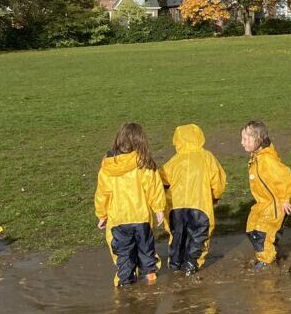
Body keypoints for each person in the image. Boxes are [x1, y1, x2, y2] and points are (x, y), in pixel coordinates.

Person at [94, 122, 166, 287]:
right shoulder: (144, 163)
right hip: (141, 218)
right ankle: (150, 280)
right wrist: (159, 209)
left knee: (123, 254)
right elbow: (154, 188)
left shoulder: (108, 166)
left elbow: (102, 193)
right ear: (141, 141)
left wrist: (102, 214)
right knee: (146, 252)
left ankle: (125, 287)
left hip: (118, 220)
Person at [160, 123, 227, 275]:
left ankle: (175, 265)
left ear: (177, 140)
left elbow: (161, 180)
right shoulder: (207, 157)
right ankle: (192, 263)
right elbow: (218, 181)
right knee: (199, 236)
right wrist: (215, 196)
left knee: (178, 236)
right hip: (200, 206)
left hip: (176, 208)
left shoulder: (174, 161)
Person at [242, 121, 291, 268]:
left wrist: (285, 199)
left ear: (258, 140)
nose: (242, 142)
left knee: (261, 235)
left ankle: (267, 264)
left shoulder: (267, 160)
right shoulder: (257, 156)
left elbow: (285, 176)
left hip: (275, 206)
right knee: (251, 230)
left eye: (246, 139)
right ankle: (271, 252)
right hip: (263, 204)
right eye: (242, 138)